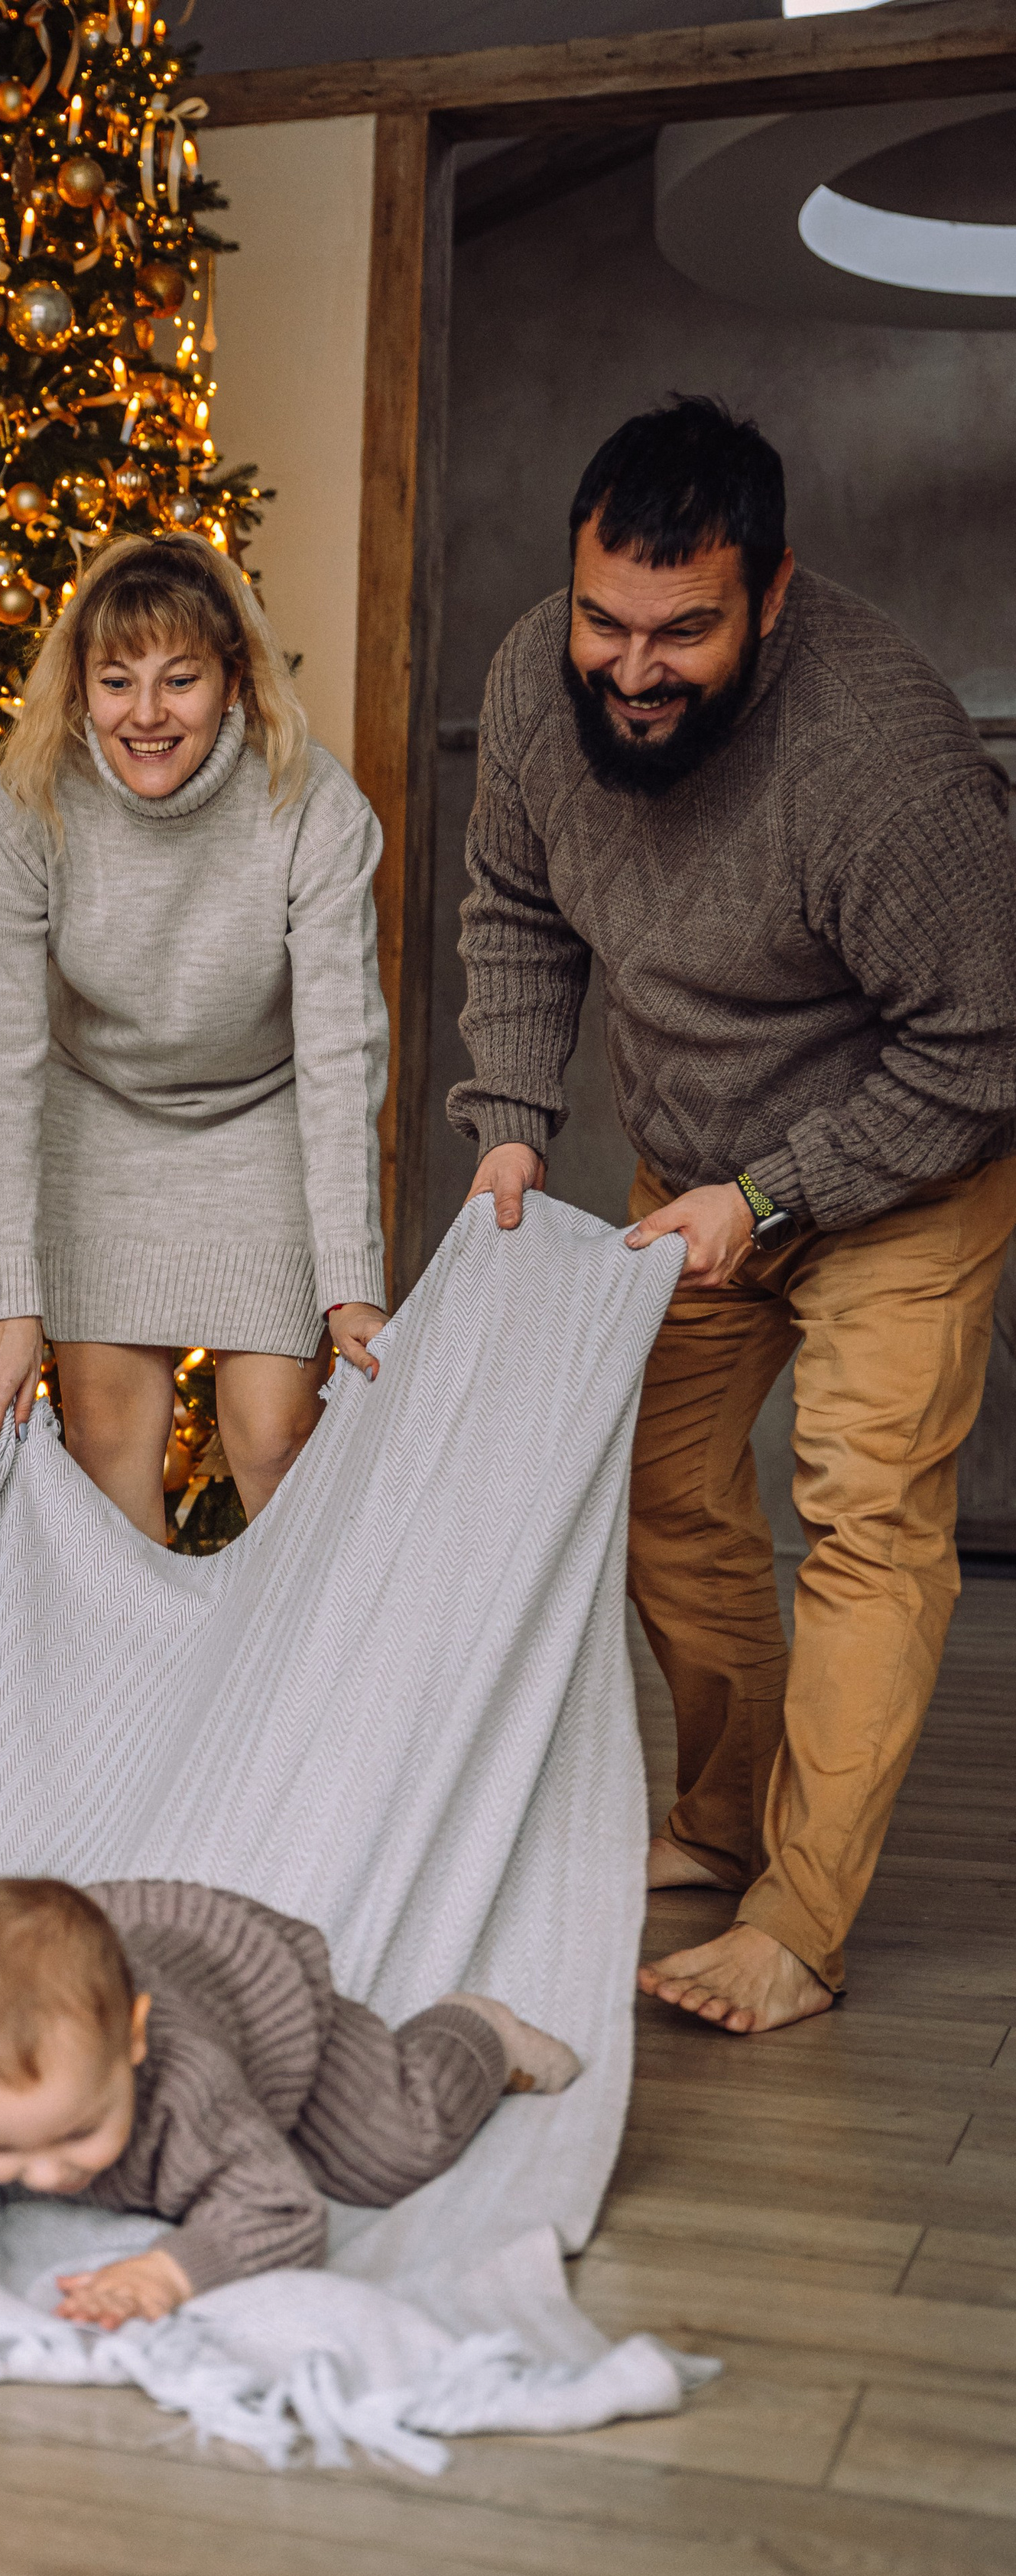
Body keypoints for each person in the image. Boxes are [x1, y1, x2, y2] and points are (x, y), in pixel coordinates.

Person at [450, 394, 1016, 2036]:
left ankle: (798, 1920)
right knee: (656, 1494)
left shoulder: (883, 768)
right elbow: (514, 906)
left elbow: (983, 1049)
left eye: (682, 631)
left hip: (903, 1166)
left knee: (861, 1516)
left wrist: (769, 1195)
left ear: (771, 595)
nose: (630, 668)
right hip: (687, 1165)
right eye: (604, 619)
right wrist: (509, 1122)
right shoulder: (535, 682)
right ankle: (717, 1821)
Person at [0, 532, 389, 1543]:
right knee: (107, 1443)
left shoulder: (313, 805)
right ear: (80, 688)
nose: (146, 714)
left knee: (275, 1435)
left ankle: (298, 1655)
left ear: (233, 681)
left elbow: (339, 1056)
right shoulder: (21, 810)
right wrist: (9, 1303)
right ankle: (134, 1658)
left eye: (179, 680)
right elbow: (4, 1065)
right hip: (98, 1119)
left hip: (263, 1115)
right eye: (117, 682)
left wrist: (349, 1283)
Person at [0, 1877, 579, 2326]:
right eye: (0, 2146)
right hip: (101, 1973)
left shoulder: (186, 2087)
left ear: (132, 2039)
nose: (48, 2174)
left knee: (392, 2150)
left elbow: (283, 2212)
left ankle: (476, 2028)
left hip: (259, 2001)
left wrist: (168, 2271)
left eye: (79, 2131)